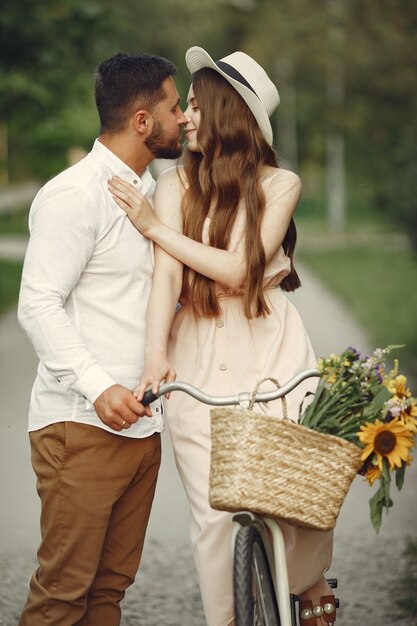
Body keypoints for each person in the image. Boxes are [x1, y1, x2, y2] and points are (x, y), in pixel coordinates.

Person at [108, 47, 337, 626]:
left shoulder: (281, 184)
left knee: (296, 492)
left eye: (191, 104)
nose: (183, 116)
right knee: (214, 515)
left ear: (223, 111)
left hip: (272, 344)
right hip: (198, 351)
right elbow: (166, 278)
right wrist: (155, 356)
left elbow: (241, 269)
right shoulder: (173, 184)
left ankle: (310, 589)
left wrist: (158, 230)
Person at [17, 52, 186, 626]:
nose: (185, 117)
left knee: (108, 595)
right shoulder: (75, 195)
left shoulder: (157, 192)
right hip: (82, 426)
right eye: (174, 105)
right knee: (62, 597)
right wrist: (97, 387)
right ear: (143, 121)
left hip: (144, 427)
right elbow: (37, 305)